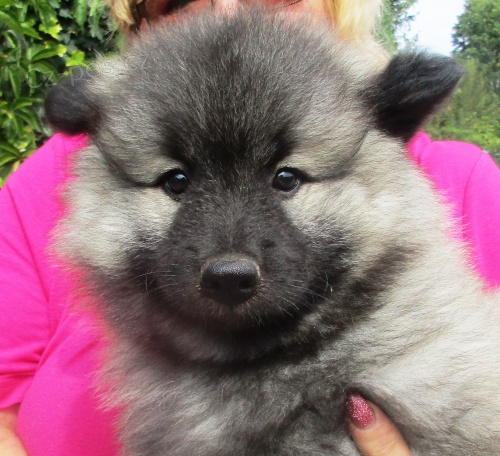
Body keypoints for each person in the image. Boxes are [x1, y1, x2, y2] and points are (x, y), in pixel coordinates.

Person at [0, 0, 499, 455]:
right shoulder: (50, 180)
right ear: (141, 24)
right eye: (175, 182)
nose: (225, 11)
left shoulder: (465, 188)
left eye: (287, 179)